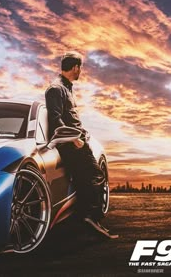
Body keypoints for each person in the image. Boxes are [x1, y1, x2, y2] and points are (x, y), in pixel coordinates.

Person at [45, 51, 117, 238]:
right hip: (71, 144)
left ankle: (87, 221)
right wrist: (73, 139)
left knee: (84, 179)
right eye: (80, 68)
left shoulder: (67, 88)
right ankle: (88, 218)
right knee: (95, 175)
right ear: (75, 67)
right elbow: (55, 118)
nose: (80, 72)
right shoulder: (55, 88)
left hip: (77, 141)